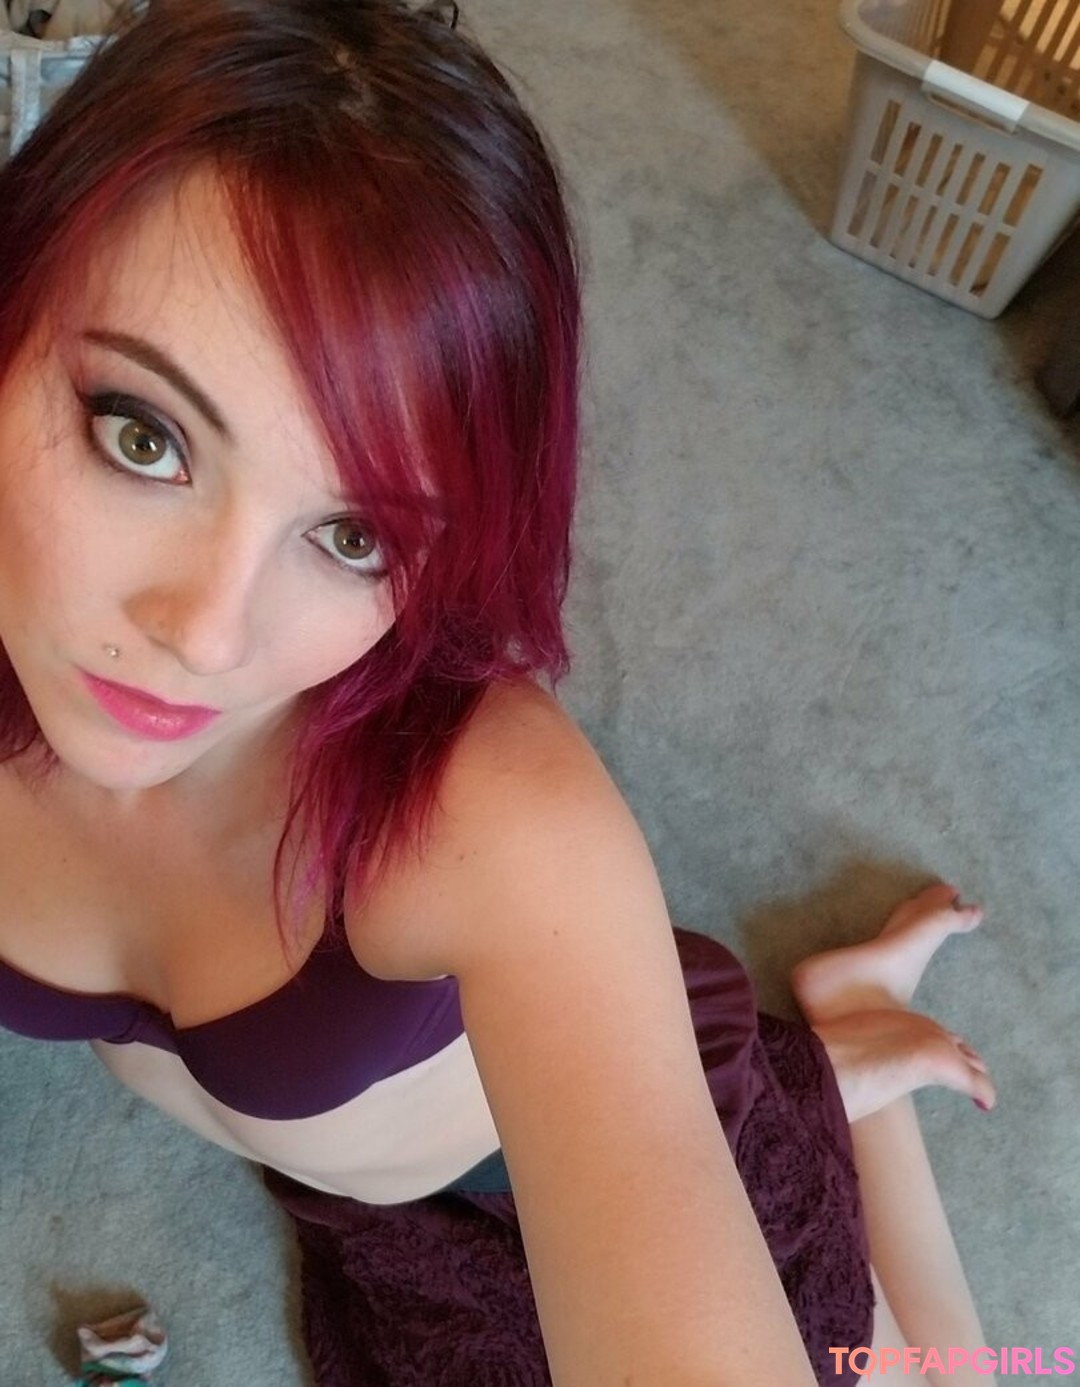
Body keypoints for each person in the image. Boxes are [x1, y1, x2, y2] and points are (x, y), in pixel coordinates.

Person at [0, 2, 998, 1383]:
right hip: (379, 1215)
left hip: (622, 1130)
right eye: (143, 436)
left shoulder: (501, 818)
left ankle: (835, 1057)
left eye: (357, 536)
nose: (207, 638)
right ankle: (845, 1043)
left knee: (960, 1378)